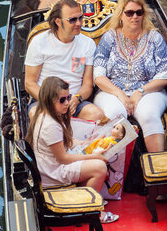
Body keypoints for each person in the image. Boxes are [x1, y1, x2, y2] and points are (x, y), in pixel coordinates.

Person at [25, 76, 119, 223]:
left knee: (94, 158)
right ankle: (94, 213)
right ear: (50, 100)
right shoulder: (50, 125)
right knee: (100, 167)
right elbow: (63, 159)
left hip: (52, 165)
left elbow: (65, 143)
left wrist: (86, 143)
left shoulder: (50, 115)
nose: (67, 103)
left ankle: (84, 199)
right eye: (62, 100)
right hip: (53, 173)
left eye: (68, 97)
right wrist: (94, 156)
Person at [93, 0, 167, 152]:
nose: (134, 17)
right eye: (129, 13)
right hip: (112, 92)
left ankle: (158, 165)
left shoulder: (155, 38)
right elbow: (99, 76)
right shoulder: (109, 38)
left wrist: (140, 92)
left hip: (149, 91)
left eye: (139, 12)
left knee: (149, 114)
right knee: (115, 114)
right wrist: (120, 94)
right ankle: (112, 167)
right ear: (121, 15)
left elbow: (164, 77)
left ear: (143, 15)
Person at [24, 0, 104, 122]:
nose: (78, 23)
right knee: (39, 117)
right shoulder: (39, 42)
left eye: (80, 18)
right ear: (58, 22)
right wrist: (52, 102)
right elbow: (30, 83)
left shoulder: (87, 44)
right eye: (72, 20)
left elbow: (87, 85)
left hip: (74, 101)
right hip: (46, 100)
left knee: (96, 114)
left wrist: (77, 99)